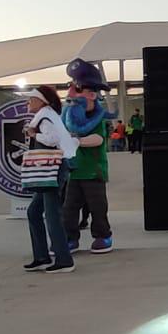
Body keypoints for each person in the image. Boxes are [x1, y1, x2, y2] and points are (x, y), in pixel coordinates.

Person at [21, 86, 78, 273]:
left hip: (52, 171)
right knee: (34, 212)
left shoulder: (44, 118)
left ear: (41, 101)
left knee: (52, 215)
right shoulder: (49, 115)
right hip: (54, 169)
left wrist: (33, 134)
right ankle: (42, 257)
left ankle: (63, 260)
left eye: (31, 99)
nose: (28, 102)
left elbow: (52, 139)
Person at [62, 84, 114, 254]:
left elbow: (98, 139)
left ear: (91, 96)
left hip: (93, 170)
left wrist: (78, 141)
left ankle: (103, 236)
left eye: (79, 92)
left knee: (97, 206)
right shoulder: (72, 117)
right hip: (75, 171)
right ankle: (70, 238)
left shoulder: (97, 118)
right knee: (69, 207)